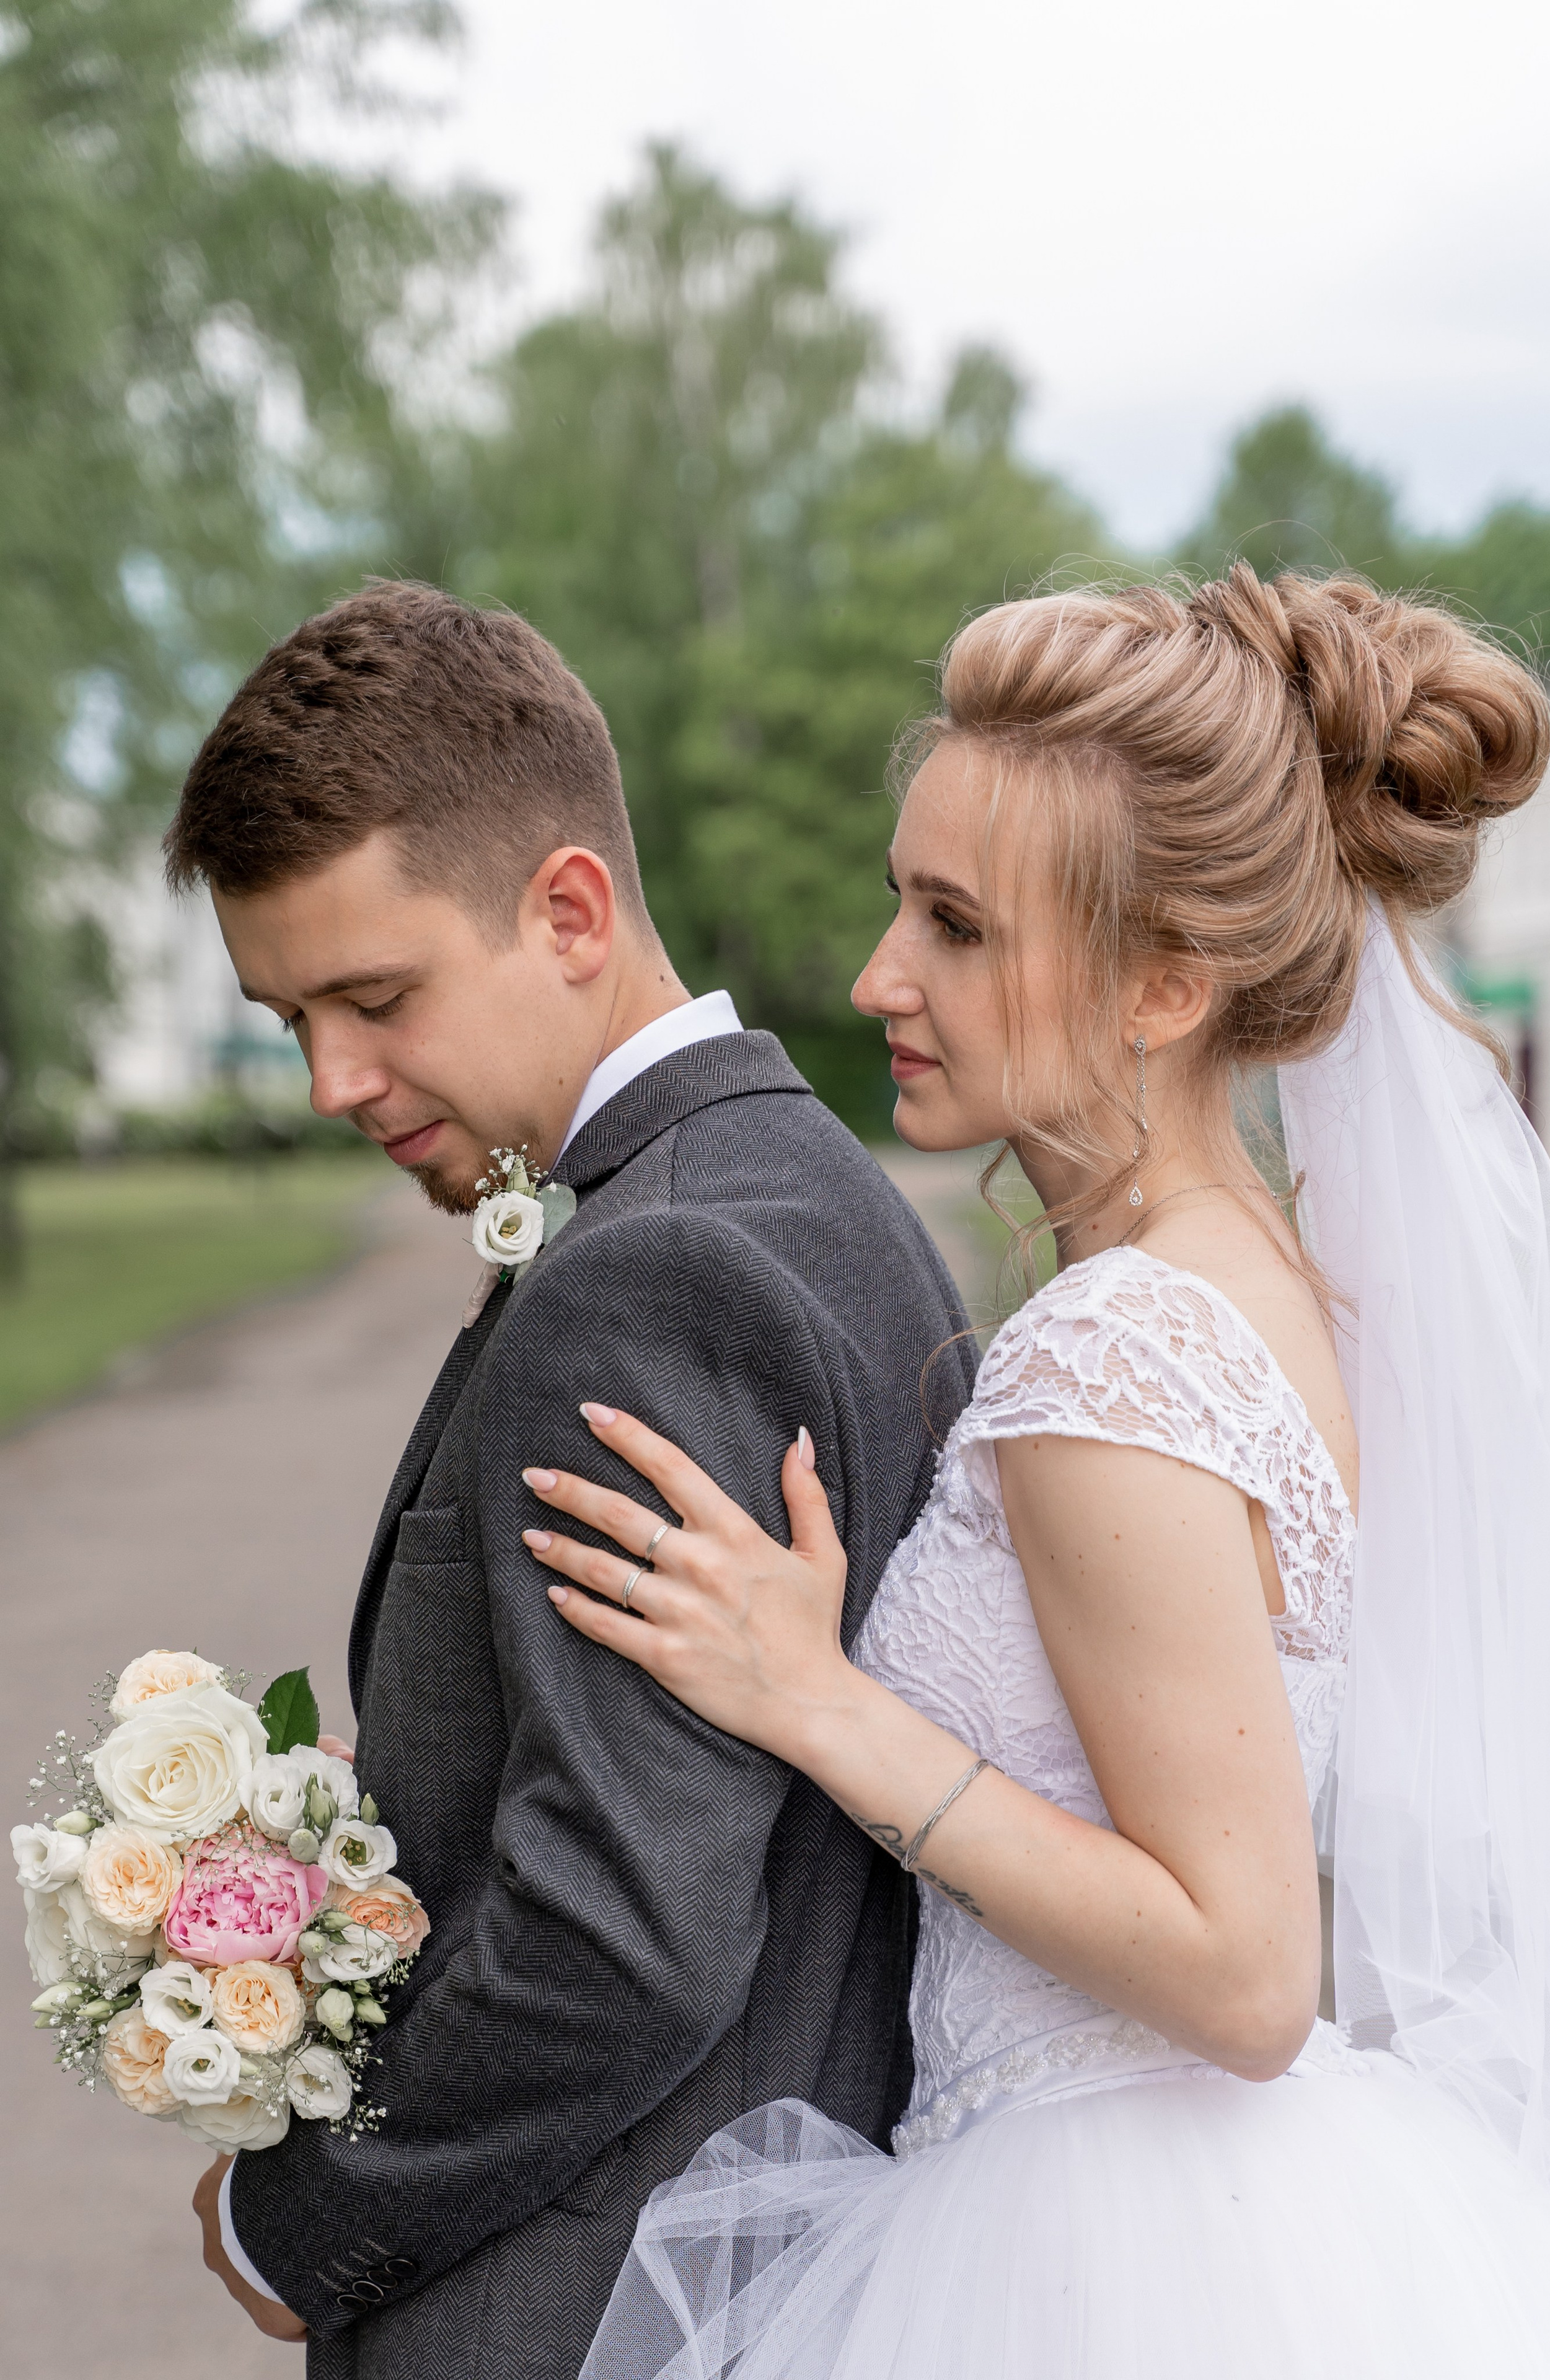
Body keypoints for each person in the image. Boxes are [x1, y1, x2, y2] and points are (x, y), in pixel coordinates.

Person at [521, 566, 1550, 2378]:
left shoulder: (1119, 1356)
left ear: (1165, 983)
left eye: (958, 927)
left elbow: (1245, 1976)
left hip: (1107, 2255)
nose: (881, 977)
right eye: (899, 905)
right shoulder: (1261, 1276)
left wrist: (819, 1702)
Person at [164, 581, 975, 2377]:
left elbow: (620, 1932)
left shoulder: (651, 1278)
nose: (329, 1081)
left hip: (586, 2309)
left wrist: (296, 2217)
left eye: (373, 997)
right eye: (288, 1016)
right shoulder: (810, 1194)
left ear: (572, 910)